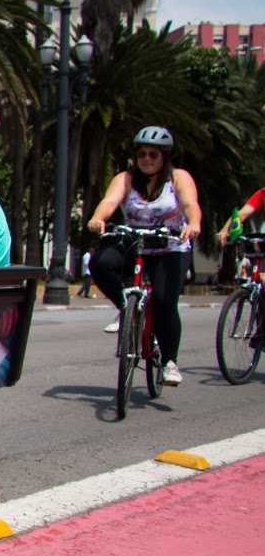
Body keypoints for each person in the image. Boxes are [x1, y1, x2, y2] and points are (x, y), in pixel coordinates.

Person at [86, 126, 201, 387]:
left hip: (170, 247)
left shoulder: (177, 178)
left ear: (164, 156)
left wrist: (193, 223)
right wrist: (97, 218)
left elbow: (190, 204)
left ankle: (169, 362)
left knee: (163, 300)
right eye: (141, 155)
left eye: (153, 154)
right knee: (100, 262)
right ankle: (128, 309)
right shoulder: (126, 178)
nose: (147, 159)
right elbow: (109, 201)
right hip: (135, 244)